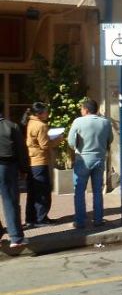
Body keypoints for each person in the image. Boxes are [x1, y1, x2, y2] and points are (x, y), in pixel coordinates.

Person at [67, 98, 113, 229]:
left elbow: (70, 141)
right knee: (97, 191)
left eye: (81, 108)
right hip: (99, 159)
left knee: (79, 192)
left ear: (86, 110)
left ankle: (80, 221)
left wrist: (78, 147)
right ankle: (98, 220)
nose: (81, 111)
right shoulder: (105, 122)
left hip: (83, 159)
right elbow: (110, 139)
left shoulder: (78, 121)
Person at [22, 102, 62, 227]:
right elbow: (45, 145)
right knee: (43, 192)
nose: (47, 114)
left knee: (33, 191)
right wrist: (58, 140)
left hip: (32, 160)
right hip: (40, 161)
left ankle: (31, 218)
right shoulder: (40, 125)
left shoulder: (30, 122)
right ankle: (41, 218)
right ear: (39, 114)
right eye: (46, 112)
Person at [0, 101, 29, 248]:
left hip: (7, 165)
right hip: (7, 166)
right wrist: (24, 169)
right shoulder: (11, 126)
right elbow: (21, 150)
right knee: (10, 201)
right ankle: (16, 237)